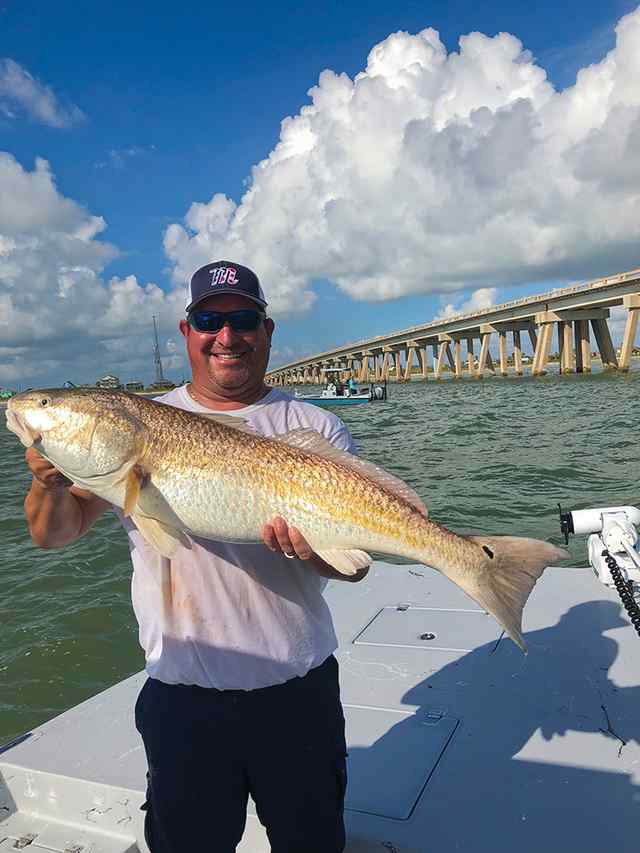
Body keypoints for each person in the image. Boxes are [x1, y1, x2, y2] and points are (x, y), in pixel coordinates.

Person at [23, 260, 369, 853]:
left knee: (312, 841)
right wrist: (48, 483)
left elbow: (354, 564)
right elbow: (55, 534)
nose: (226, 337)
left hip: (297, 689)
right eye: (210, 320)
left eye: (243, 321)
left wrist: (315, 555)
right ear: (187, 331)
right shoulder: (134, 425)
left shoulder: (313, 425)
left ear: (267, 330)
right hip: (181, 696)